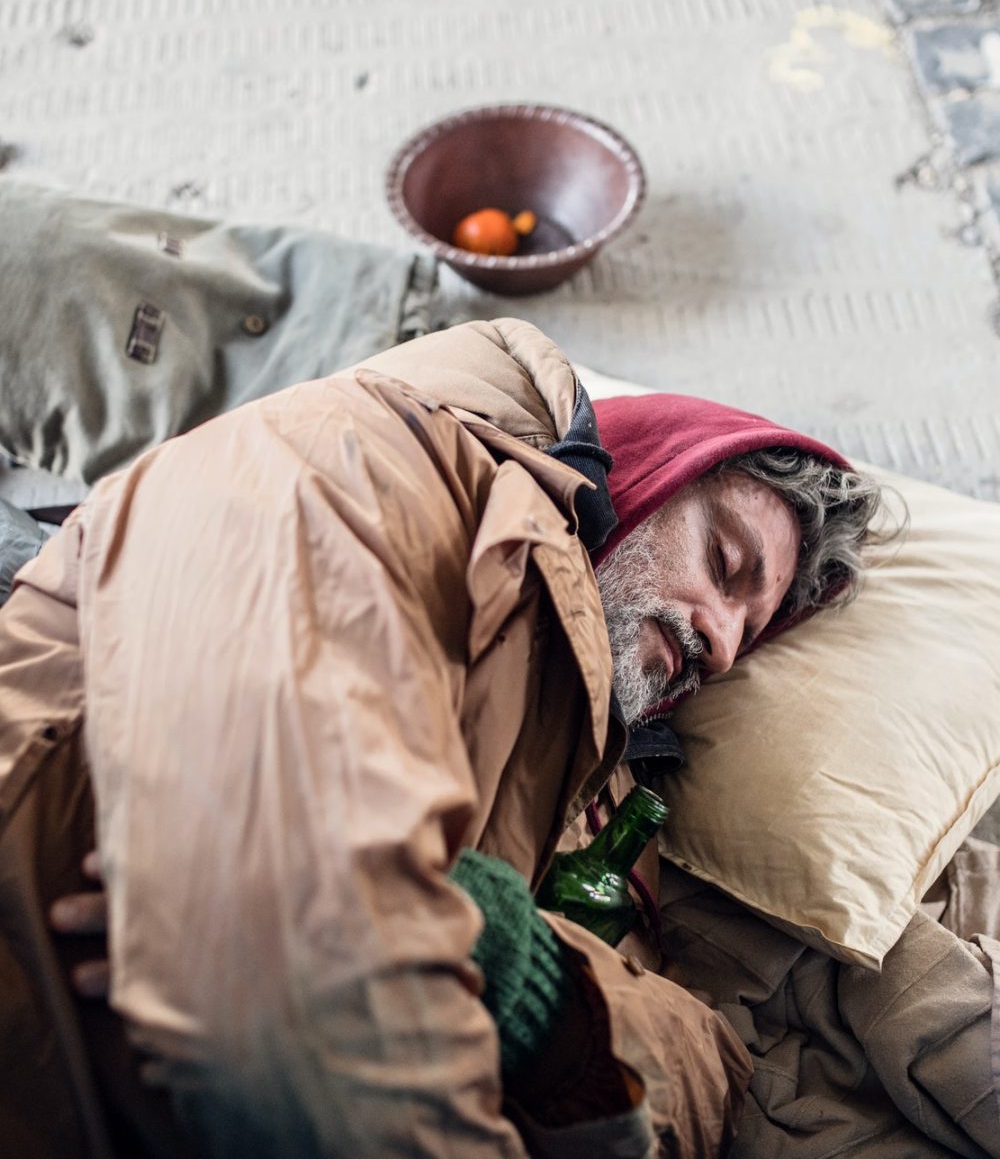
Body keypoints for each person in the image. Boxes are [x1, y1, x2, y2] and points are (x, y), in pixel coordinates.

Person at [0, 317, 882, 1159]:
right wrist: (402, 915)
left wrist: (532, 983)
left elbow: (701, 1094)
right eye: (725, 567)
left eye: (745, 633)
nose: (721, 644)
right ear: (643, 474)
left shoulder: (599, 800)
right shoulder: (369, 458)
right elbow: (293, 958)